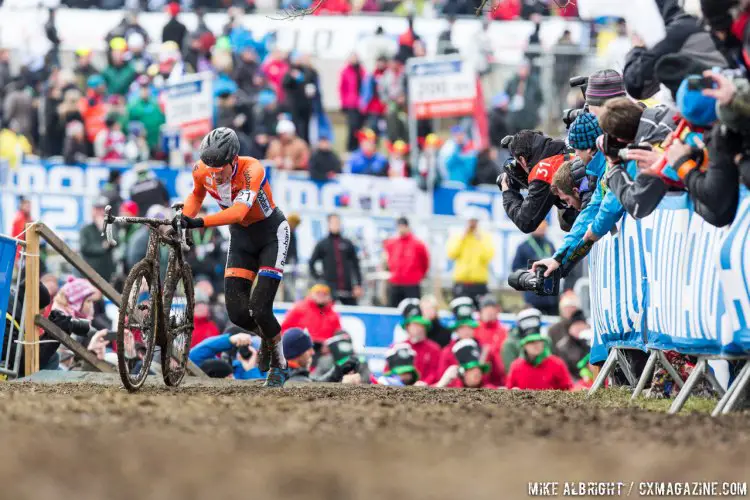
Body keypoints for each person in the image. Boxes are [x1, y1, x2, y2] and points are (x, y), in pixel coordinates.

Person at [177, 127, 292, 387]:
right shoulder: (203, 169)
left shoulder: (252, 169)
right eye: (211, 167)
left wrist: (198, 222)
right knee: (238, 313)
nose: (215, 174)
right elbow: (196, 195)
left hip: (271, 234)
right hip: (241, 239)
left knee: (261, 308)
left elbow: (239, 213)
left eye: (220, 168)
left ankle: (279, 363)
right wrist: (185, 216)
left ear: (234, 160)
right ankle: (268, 338)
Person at [623, 0, 727, 100]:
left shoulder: (679, 30)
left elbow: (635, 84)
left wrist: (637, 46)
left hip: (709, 106)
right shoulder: (709, 18)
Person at [499, 130, 576, 233]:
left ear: (522, 159)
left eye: (518, 162)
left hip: (594, 215)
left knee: (566, 218)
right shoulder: (563, 146)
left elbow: (525, 222)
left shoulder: (543, 170)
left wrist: (508, 192)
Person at [436, 297, 505, 388]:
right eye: (462, 328)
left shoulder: (486, 350)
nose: (466, 331)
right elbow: (441, 379)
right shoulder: (447, 352)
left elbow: (498, 378)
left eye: (469, 327)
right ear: (456, 330)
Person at [308, 214, 363, 306]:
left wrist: (358, 285)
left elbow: (356, 265)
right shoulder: (322, 244)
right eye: (333, 222)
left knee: (351, 312)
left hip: (347, 289)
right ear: (328, 224)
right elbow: (311, 263)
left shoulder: (347, 243)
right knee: (327, 313)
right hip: (329, 289)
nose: (336, 225)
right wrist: (320, 279)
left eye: (337, 222)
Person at [505, 321, 574, 391]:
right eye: (531, 342)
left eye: (539, 341)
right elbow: (509, 390)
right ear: (524, 346)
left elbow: (568, 389)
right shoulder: (516, 366)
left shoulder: (557, 364)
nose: (536, 345)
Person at [446, 213, 495, 305]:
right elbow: (451, 254)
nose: (472, 224)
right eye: (470, 222)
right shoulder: (459, 236)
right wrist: (462, 238)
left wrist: (479, 239)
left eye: (474, 222)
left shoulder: (484, 237)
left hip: (479, 283)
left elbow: (488, 256)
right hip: (461, 282)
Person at [511, 220, 557, 315]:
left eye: (543, 227)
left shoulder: (549, 245)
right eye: (539, 227)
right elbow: (515, 269)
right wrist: (532, 272)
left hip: (550, 295)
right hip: (532, 294)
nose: (541, 230)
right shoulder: (523, 246)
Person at [283, 328, 360, 384]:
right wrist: (343, 385)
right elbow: (314, 390)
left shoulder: (290, 373)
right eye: (308, 349)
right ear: (297, 353)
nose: (313, 352)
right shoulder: (290, 379)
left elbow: (316, 383)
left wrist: (339, 370)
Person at [383, 217, 430, 307]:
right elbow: (388, 260)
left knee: (413, 309)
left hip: (411, 283)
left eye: (403, 226)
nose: (401, 229)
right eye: (399, 226)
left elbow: (425, 262)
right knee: (393, 308)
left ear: (407, 227)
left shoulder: (418, 244)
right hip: (395, 282)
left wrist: (419, 276)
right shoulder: (391, 243)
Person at [189, 328, 264, 380]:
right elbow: (192, 359)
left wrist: (250, 370)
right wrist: (228, 340)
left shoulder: (269, 372)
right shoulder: (222, 369)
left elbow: (265, 395)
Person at [398, 298, 442, 385]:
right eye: (414, 325)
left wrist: (424, 383)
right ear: (407, 327)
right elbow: (389, 372)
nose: (417, 329)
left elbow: (436, 373)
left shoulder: (434, 349)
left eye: (420, 325)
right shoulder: (398, 347)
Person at [80, 197, 116, 281]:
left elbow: (115, 241)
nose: (100, 213)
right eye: (97, 209)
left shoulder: (110, 227)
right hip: (90, 273)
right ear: (92, 210)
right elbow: (85, 248)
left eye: (102, 210)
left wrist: (104, 228)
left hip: (108, 273)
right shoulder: (86, 229)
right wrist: (103, 247)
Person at [126, 81, 165, 155]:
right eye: (142, 88)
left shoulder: (156, 103)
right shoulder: (133, 105)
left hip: (156, 139)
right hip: (140, 141)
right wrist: (138, 132)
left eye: (146, 88)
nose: (145, 91)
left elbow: (162, 119)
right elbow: (128, 124)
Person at [555, 310, 593, 383]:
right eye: (576, 326)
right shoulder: (562, 347)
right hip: (575, 385)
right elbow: (565, 372)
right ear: (570, 328)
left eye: (581, 325)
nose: (579, 329)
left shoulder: (591, 342)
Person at [505, 62, 543, 133]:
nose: (523, 71)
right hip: (514, 117)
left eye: (525, 69)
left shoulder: (534, 83)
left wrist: (533, 108)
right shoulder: (512, 82)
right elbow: (507, 95)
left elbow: (540, 99)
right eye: (521, 69)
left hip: (529, 117)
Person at [339, 54, 366, 152]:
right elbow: (342, 88)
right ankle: (351, 147)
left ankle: (359, 147)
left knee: (360, 127)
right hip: (350, 104)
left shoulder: (362, 71)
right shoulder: (345, 71)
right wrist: (343, 103)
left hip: (361, 104)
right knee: (352, 126)